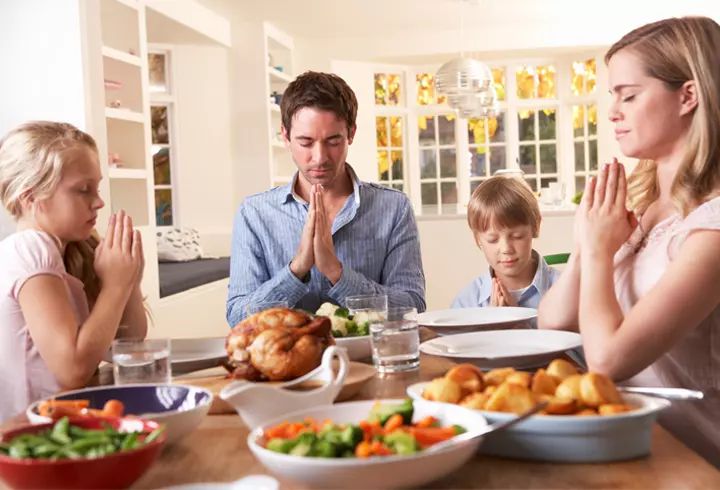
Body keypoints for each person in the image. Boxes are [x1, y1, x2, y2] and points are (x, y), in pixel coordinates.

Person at [538, 17, 720, 466]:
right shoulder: (642, 200)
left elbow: (606, 360)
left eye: (630, 95)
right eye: (612, 96)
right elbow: (555, 323)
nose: (613, 111)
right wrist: (586, 245)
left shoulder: (712, 227)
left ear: (688, 96)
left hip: (691, 460)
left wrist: (600, 251)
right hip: (625, 441)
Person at [226, 71, 425, 325]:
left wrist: (337, 273)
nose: (319, 157)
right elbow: (237, 318)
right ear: (285, 136)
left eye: (332, 141)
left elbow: (412, 306)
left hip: (369, 359)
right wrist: (296, 270)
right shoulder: (254, 214)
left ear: (351, 133)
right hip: (289, 364)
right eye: (305, 142)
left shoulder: (393, 208)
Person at [0, 121, 147, 422]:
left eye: (97, 187)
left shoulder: (69, 252)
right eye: (83, 190)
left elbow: (125, 345)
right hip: (30, 436)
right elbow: (73, 370)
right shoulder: (29, 249)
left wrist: (129, 281)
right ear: (31, 198)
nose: (99, 201)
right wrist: (115, 287)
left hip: (64, 425)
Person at [452, 176, 560, 312]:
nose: (506, 249)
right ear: (477, 239)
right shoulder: (467, 302)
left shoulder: (566, 290)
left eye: (517, 236)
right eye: (492, 239)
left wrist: (517, 323)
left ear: (535, 226)